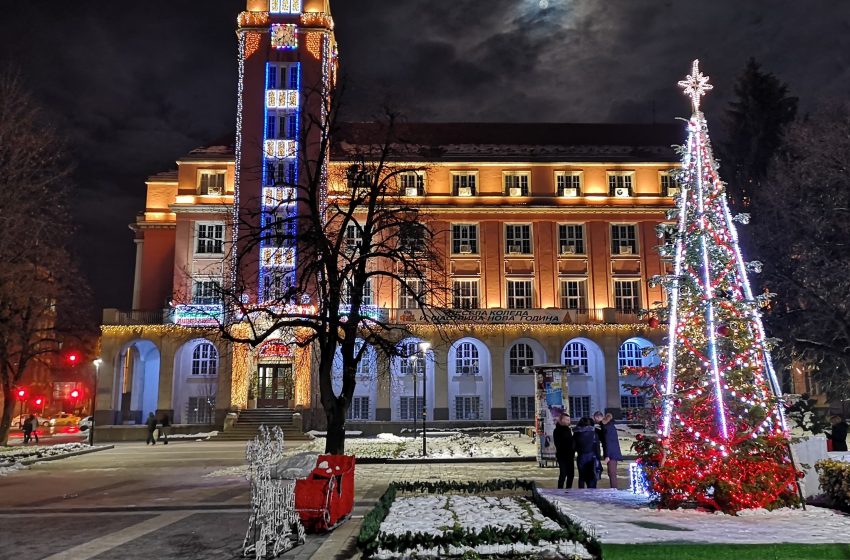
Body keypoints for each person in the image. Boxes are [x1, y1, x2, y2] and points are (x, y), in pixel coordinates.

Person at [573, 417, 601, 488]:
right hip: (592, 456)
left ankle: (581, 492)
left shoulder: (576, 433)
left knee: (581, 477)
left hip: (581, 456)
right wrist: (598, 457)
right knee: (592, 476)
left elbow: (573, 446)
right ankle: (591, 492)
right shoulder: (594, 433)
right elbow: (597, 447)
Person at [598, 413, 624, 489]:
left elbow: (608, 441)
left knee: (612, 473)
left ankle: (614, 489)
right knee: (612, 473)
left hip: (612, 453)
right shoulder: (609, 425)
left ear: (599, 418)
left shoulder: (607, 427)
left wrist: (608, 455)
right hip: (613, 451)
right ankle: (613, 489)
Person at [553, 411, 575, 489]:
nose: (569, 421)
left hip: (570, 455)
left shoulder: (568, 429)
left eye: (569, 420)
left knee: (571, 474)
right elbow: (558, 444)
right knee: (563, 474)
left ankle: (568, 490)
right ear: (562, 420)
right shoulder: (557, 430)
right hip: (562, 456)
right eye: (567, 420)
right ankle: (560, 490)